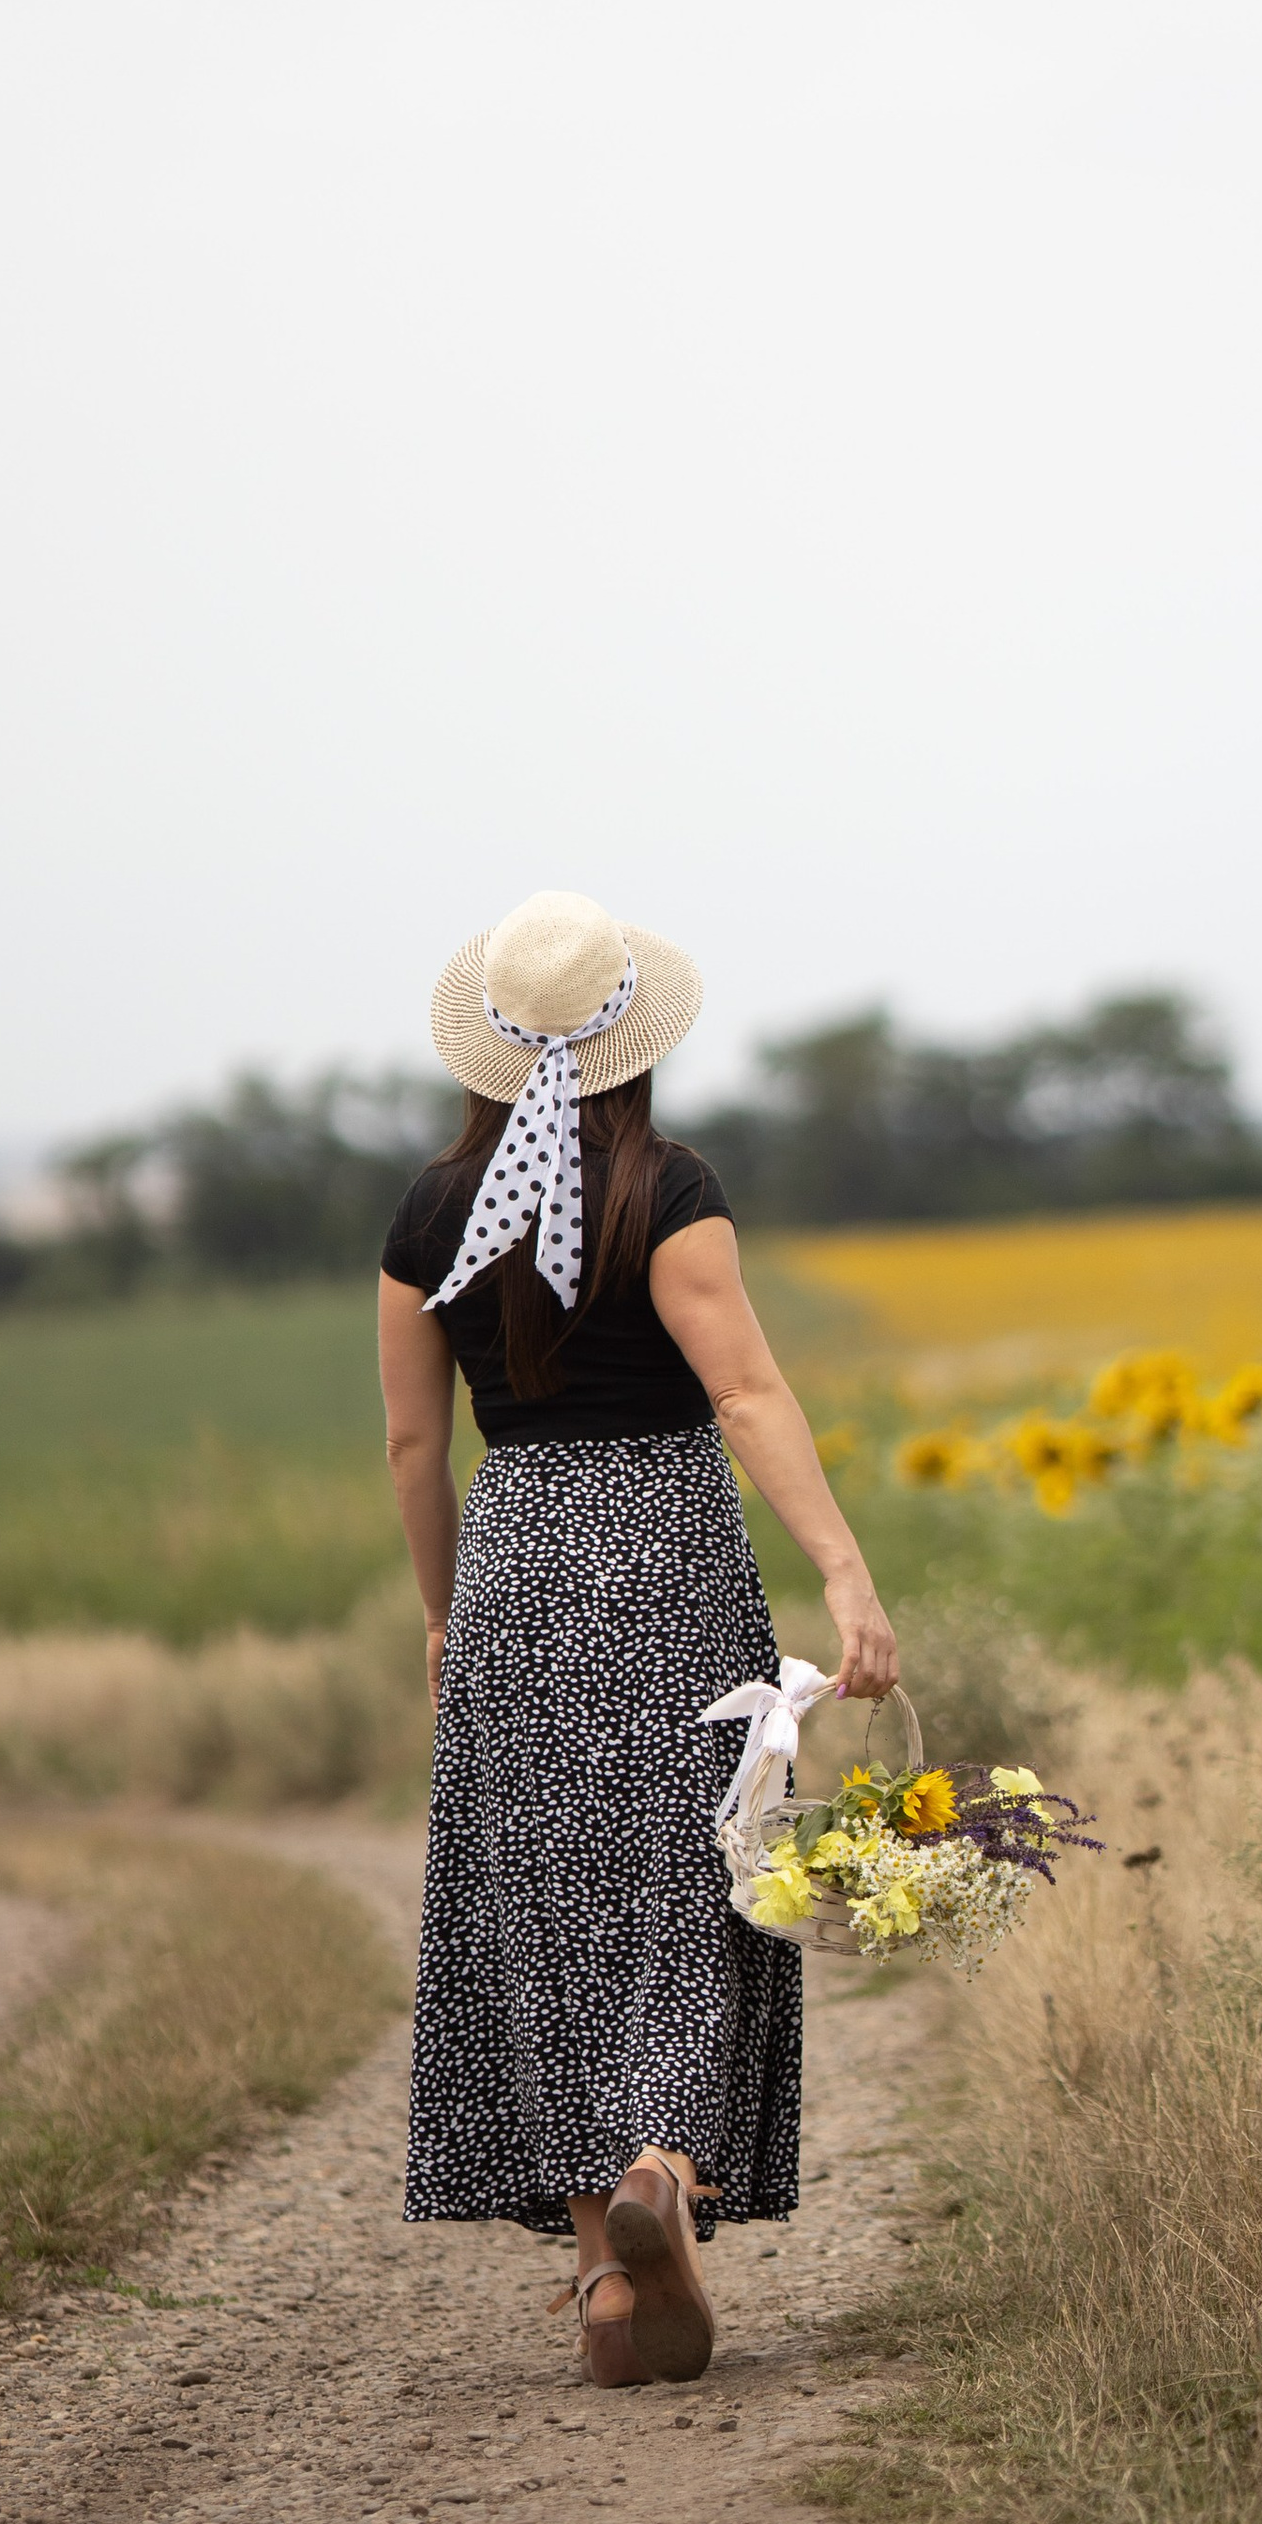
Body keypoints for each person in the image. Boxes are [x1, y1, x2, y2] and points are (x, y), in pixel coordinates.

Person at [377, 888, 898, 2388]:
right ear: (636, 1041)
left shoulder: (429, 1213)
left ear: (488, 1047)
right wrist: (849, 1580)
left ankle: (609, 2275)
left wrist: (440, 1608)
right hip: (669, 1557)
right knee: (696, 1875)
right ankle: (665, 2164)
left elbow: (416, 1450)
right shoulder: (669, 1190)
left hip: (518, 1565)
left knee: (543, 1899)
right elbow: (744, 1398)